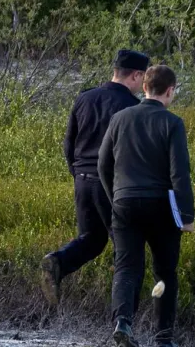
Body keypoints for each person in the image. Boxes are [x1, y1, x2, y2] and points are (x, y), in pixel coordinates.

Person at [98, 64, 195, 347]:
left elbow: (103, 164)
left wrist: (115, 196)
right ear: (170, 91)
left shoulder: (119, 118)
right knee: (164, 271)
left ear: (143, 88)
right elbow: (180, 173)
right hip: (162, 207)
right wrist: (186, 216)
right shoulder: (172, 123)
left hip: (124, 202)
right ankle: (164, 337)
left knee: (126, 267)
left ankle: (122, 322)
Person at [42, 49, 149, 298]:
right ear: (135, 75)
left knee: (91, 239)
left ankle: (57, 261)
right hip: (111, 185)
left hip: (82, 181)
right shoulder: (132, 108)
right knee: (126, 249)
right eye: (142, 78)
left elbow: (69, 143)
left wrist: (77, 173)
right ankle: (122, 314)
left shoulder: (85, 98)